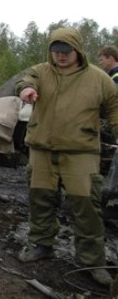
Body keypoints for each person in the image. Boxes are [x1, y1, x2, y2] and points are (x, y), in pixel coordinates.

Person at [15, 28, 118, 287]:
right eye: (56, 51)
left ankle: (91, 260)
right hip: (42, 149)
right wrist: (26, 90)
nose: (60, 56)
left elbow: (115, 108)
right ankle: (41, 244)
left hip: (81, 151)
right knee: (40, 199)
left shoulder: (99, 79)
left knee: (86, 205)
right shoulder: (41, 71)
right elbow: (25, 80)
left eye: (66, 51)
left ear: (78, 50)